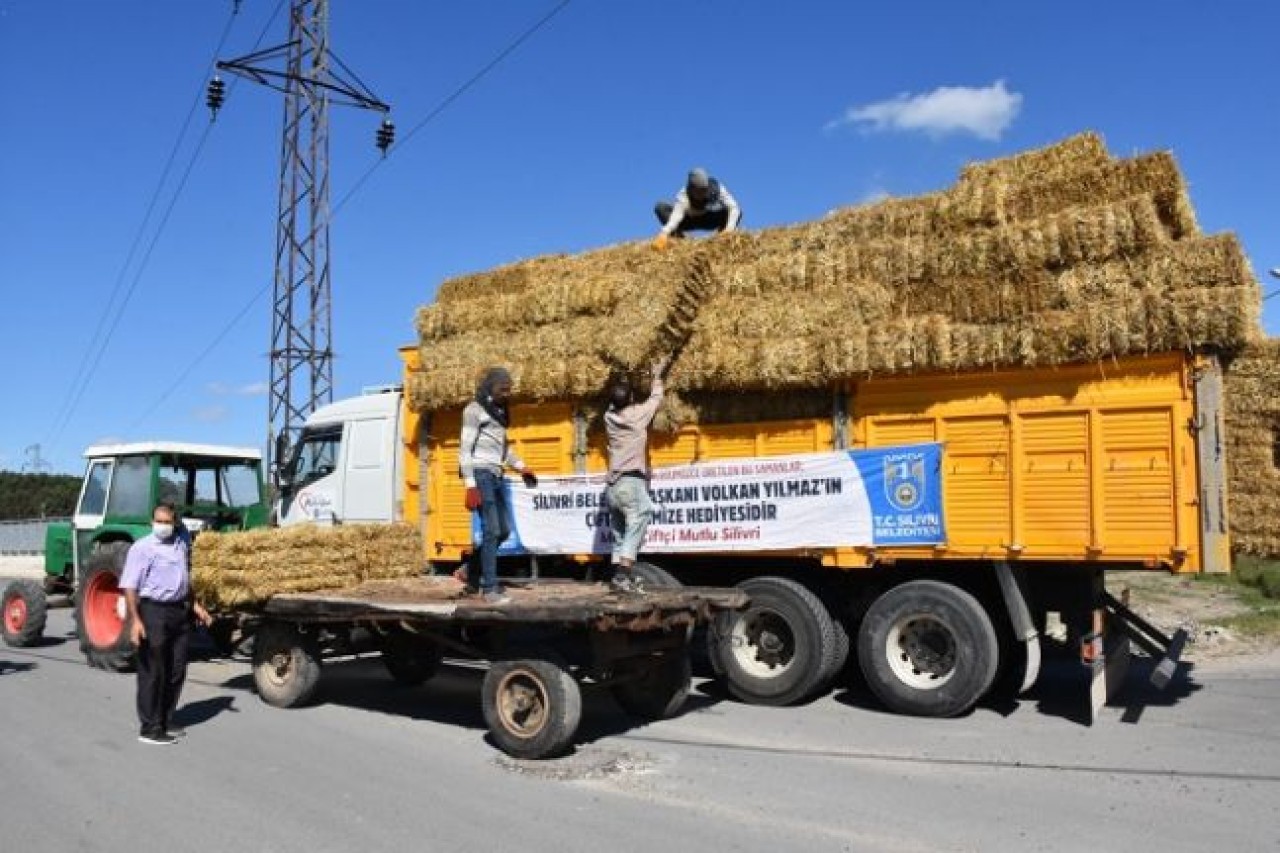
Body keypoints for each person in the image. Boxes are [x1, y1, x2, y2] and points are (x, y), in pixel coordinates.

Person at [120, 501, 211, 745]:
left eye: (167, 522)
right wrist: (135, 621)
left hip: (178, 613)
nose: (162, 526)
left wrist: (195, 606)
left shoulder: (180, 544)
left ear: (175, 523)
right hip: (153, 612)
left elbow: (183, 580)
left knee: (176, 670)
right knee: (153, 671)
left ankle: (166, 718)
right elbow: (130, 586)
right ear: (152, 522)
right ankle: (149, 727)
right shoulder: (142, 548)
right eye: (158, 521)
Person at [459, 367, 537, 604]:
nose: (507, 392)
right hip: (481, 474)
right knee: (491, 530)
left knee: (502, 530)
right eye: (502, 388)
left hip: (496, 475)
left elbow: (503, 450)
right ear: (489, 386)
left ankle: (470, 573)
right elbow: (464, 450)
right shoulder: (474, 410)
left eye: (509, 389)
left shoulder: (499, 413)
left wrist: (522, 467)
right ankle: (490, 590)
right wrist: (470, 485)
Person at [604, 355, 672, 592]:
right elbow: (656, 399)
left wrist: (622, 378)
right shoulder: (636, 417)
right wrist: (656, 375)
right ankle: (623, 575)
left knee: (620, 532)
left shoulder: (608, 418)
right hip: (630, 484)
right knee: (640, 518)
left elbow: (616, 401)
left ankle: (618, 578)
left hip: (612, 487)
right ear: (631, 400)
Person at [653, 167, 742, 248]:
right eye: (699, 191)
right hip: (688, 220)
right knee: (660, 207)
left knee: (737, 213)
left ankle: (720, 240)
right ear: (691, 188)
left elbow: (734, 207)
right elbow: (676, 217)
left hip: (708, 219)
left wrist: (729, 229)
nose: (703, 193)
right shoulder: (683, 195)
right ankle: (681, 242)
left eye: (704, 190)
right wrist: (664, 233)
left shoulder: (716, 188)